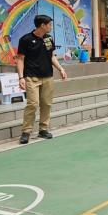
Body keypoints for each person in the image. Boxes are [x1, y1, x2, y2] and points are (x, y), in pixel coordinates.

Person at [17, 15, 68, 144]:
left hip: (48, 76)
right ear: (42, 25)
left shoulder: (49, 38)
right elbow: (20, 59)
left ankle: (43, 129)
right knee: (33, 104)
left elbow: (52, 57)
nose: (51, 27)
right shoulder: (25, 39)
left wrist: (61, 69)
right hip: (31, 77)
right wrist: (21, 77)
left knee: (46, 104)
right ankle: (26, 132)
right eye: (49, 24)